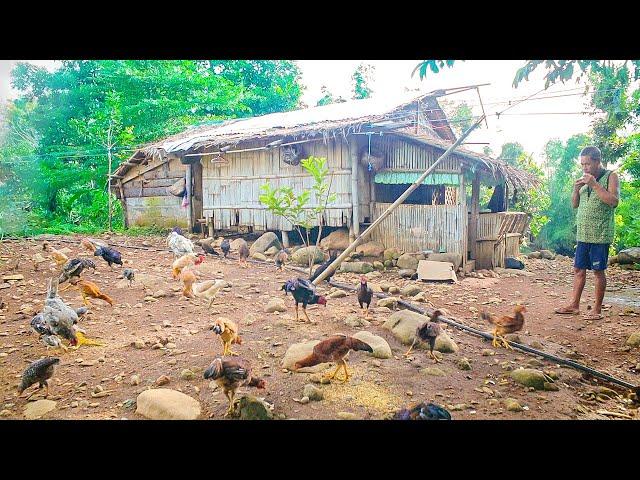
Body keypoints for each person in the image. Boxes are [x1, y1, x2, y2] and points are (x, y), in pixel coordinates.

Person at [555, 146, 619, 320]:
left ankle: (597, 310)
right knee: (578, 269)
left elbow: (613, 201)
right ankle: (574, 305)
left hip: (600, 233)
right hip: (583, 233)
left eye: (588, 164)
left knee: (598, 271)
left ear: (597, 161)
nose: (584, 168)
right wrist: (576, 190)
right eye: (582, 164)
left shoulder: (610, 176)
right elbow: (575, 205)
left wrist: (594, 184)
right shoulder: (584, 180)